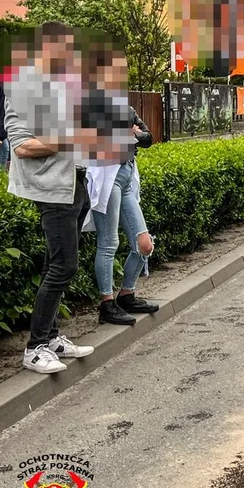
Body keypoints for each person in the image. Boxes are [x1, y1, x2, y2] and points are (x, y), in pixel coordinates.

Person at [3, 22, 95, 374]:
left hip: (75, 183)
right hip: (52, 189)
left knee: (55, 263)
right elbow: (22, 146)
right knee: (64, 266)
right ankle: (35, 347)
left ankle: (52, 336)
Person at [82, 48, 159, 326]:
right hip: (107, 176)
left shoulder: (125, 108)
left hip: (127, 174)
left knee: (144, 244)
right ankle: (106, 303)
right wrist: (128, 135)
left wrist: (134, 135)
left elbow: (148, 137)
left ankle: (127, 293)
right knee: (109, 243)